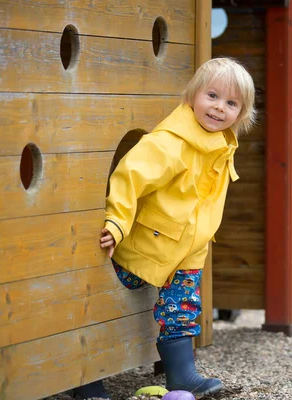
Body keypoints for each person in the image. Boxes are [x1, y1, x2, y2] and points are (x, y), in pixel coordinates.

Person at [74, 57, 256, 400]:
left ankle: (182, 376)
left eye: (232, 103)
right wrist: (116, 222)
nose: (219, 108)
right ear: (192, 96)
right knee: (106, 302)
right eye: (212, 96)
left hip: (187, 252)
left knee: (183, 308)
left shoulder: (222, 147)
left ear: (241, 114)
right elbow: (129, 177)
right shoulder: (171, 142)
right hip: (144, 246)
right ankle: (85, 376)